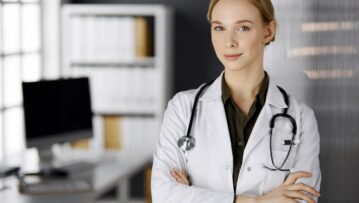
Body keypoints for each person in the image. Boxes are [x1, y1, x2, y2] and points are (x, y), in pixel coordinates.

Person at [151, 0, 321, 202]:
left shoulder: (300, 118)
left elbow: (303, 198)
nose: (229, 41)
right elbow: (164, 195)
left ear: (268, 32)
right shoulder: (182, 108)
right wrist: (259, 201)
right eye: (219, 28)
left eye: (243, 28)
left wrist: (192, 194)